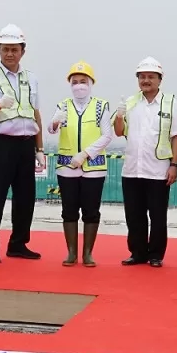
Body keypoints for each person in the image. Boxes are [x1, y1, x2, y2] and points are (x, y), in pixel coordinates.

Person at [0, 24, 46, 264]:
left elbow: (35, 113)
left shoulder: (31, 78)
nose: (9, 54)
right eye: (5, 49)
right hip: (0, 144)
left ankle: (18, 244)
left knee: (26, 197)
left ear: (22, 51)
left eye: (14, 49)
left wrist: (40, 149)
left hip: (25, 145)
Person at [114, 57, 177, 267]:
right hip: (133, 169)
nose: (146, 80)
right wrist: (118, 116)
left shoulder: (171, 102)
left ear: (160, 80)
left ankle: (155, 255)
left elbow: (176, 136)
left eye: (151, 77)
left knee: (158, 216)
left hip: (158, 170)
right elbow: (118, 132)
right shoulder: (131, 103)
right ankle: (137, 252)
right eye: (142, 77)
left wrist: (174, 165)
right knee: (134, 215)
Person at [47, 61, 114, 267]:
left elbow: (107, 135)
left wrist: (85, 154)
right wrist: (55, 122)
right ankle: (71, 252)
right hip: (67, 167)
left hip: (93, 166)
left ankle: (87, 253)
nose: (79, 85)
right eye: (75, 82)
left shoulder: (101, 106)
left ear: (91, 83)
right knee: (69, 210)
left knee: (91, 211)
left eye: (83, 81)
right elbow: (51, 130)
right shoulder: (63, 105)